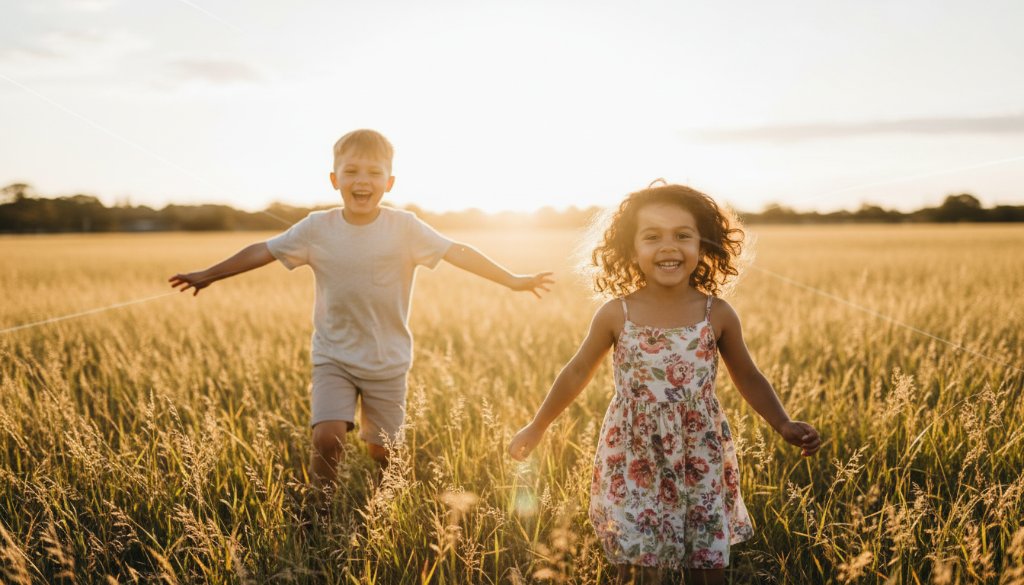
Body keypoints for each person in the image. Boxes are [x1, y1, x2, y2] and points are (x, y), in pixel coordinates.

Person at [170, 129, 553, 487]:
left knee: (383, 451)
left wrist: (513, 280)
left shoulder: (405, 228)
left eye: (374, 172)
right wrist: (210, 273)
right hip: (333, 355)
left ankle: (386, 502)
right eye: (350, 171)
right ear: (334, 179)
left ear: (389, 183)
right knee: (327, 437)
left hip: (387, 360)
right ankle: (319, 511)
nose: (362, 181)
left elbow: (459, 253)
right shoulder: (315, 228)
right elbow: (264, 250)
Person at [508, 181, 820, 584]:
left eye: (682, 235)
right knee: (640, 569)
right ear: (630, 249)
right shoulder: (616, 314)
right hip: (633, 453)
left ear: (703, 245)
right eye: (652, 236)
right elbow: (576, 371)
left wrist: (783, 423)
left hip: (700, 453)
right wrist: (538, 425)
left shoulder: (718, 314)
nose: (668, 246)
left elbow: (749, 375)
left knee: (706, 567)